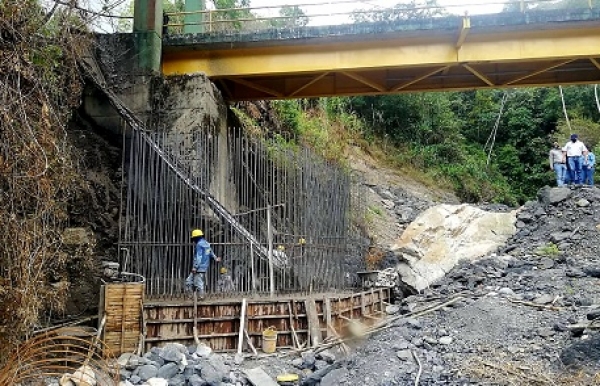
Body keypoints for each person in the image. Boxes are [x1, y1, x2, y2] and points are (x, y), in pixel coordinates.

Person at [186, 229, 220, 298]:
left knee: (197, 283)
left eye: (194, 238)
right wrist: (215, 258)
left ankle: (200, 297)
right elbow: (210, 252)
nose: (193, 241)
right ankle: (192, 296)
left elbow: (199, 256)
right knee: (189, 281)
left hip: (199, 267)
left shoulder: (199, 244)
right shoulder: (207, 244)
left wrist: (195, 267)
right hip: (204, 267)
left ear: (196, 237)